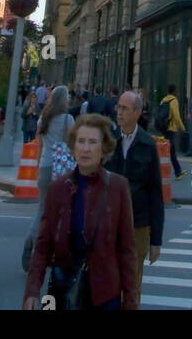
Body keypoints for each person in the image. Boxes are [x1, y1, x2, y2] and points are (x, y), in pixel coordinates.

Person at [23, 114, 138, 311]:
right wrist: (32, 291)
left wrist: (130, 300)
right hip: (64, 290)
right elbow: (43, 245)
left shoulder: (118, 187)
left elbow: (127, 249)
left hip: (105, 294)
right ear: (73, 147)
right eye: (81, 141)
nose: (85, 148)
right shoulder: (57, 189)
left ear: (103, 148)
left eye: (93, 142)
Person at [108, 90, 164, 301]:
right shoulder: (109, 140)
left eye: (124, 108)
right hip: (110, 222)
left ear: (137, 112)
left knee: (132, 284)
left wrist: (156, 240)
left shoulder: (148, 145)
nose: (119, 112)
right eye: (118, 107)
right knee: (108, 281)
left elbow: (156, 193)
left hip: (138, 224)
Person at [22, 85, 75, 272]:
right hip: (61, 169)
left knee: (43, 208)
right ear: (65, 99)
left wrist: (38, 168)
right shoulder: (68, 119)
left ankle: (31, 238)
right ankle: (55, 252)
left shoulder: (43, 118)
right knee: (63, 211)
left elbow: (40, 145)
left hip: (45, 167)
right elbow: (72, 143)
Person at [158, 85, 186, 179]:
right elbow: (177, 116)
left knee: (169, 150)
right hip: (171, 128)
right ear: (174, 91)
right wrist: (182, 127)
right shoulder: (174, 101)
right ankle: (178, 172)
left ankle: (178, 171)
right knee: (171, 151)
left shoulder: (163, 100)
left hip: (164, 128)